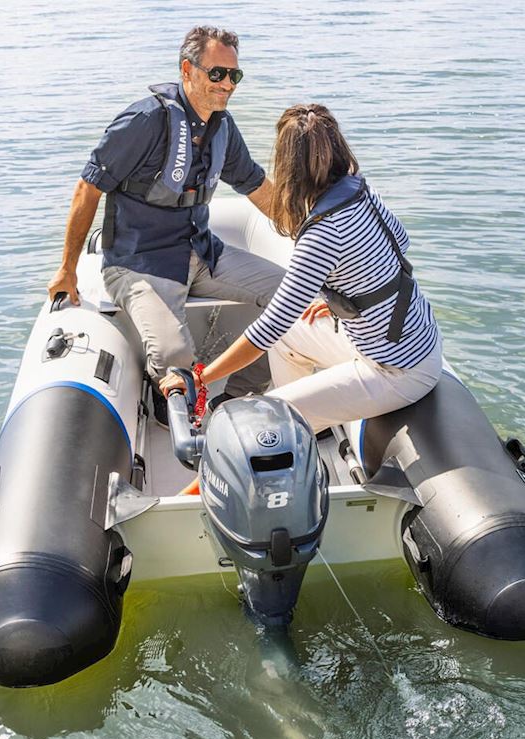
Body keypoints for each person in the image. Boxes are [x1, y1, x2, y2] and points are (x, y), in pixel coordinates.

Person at [162, 104, 444, 490]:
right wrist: (336, 299)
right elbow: (397, 245)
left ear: (288, 164)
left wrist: (200, 377)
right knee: (292, 338)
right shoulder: (360, 190)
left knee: (256, 420)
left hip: (394, 370)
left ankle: (194, 492)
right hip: (411, 340)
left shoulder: (322, 233)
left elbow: (268, 328)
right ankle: (302, 432)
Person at [47, 26, 284, 402]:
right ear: (188, 70)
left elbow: (256, 186)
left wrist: (311, 233)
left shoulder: (223, 127)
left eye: (234, 75)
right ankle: (173, 414)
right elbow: (88, 188)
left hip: (204, 253)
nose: (227, 84)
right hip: (140, 262)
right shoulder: (144, 121)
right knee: (175, 357)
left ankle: (240, 398)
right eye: (217, 73)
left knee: (289, 294)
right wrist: (67, 268)